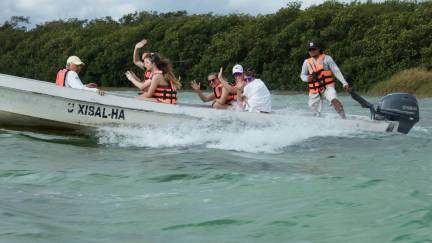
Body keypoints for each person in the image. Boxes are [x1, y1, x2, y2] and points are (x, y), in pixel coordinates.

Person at [300, 41, 350, 118]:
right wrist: (307, 78)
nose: (312, 51)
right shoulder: (306, 62)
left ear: (318, 49)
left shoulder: (327, 58)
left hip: (327, 87)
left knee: (334, 100)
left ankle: (344, 118)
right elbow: (302, 75)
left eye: (314, 49)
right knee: (315, 112)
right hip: (314, 90)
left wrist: (344, 83)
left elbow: (336, 71)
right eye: (310, 50)